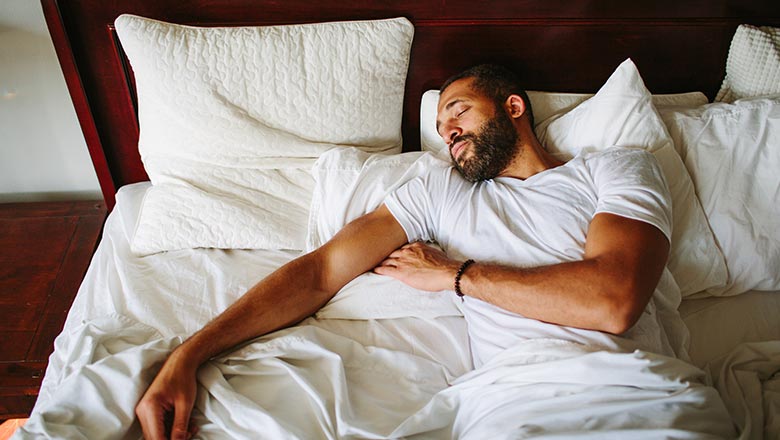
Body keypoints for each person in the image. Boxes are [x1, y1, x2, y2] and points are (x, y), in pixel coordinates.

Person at [135, 64, 672, 439]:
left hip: (638, 393)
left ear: (513, 106)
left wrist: (458, 275)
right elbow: (322, 271)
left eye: (458, 111)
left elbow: (613, 301)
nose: (448, 133)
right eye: (440, 128)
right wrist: (189, 353)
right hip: (514, 406)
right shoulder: (439, 190)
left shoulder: (613, 169)